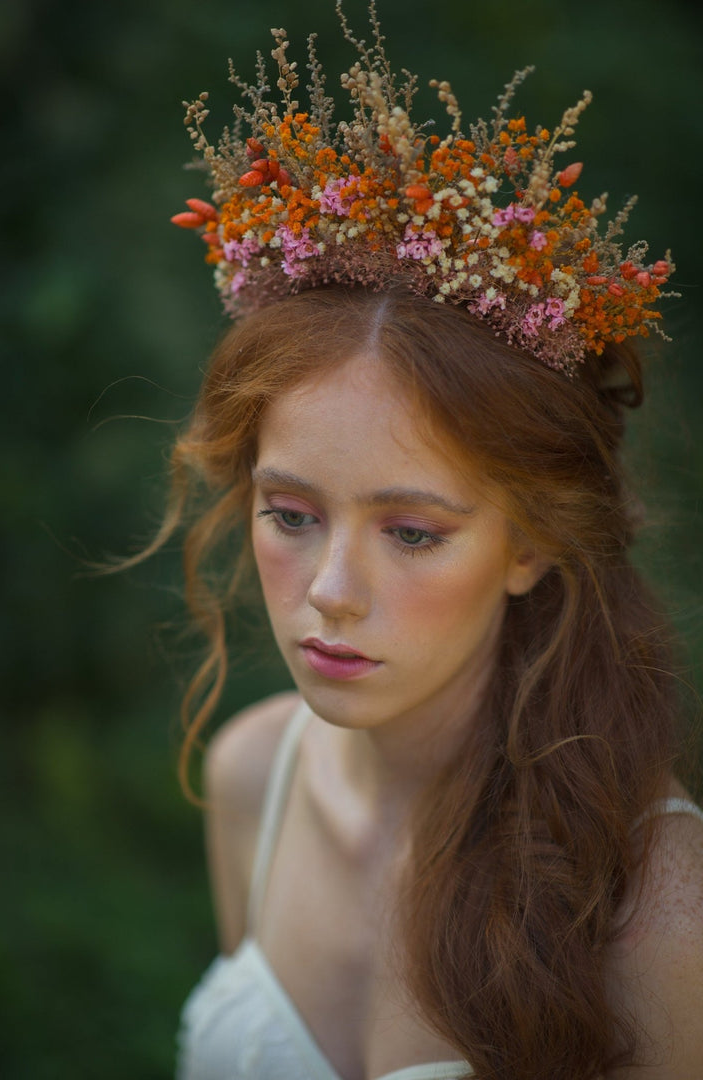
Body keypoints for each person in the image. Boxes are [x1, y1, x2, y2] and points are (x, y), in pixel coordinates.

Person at [160, 10, 703, 1079]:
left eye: (411, 531)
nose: (330, 590)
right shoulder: (249, 780)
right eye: (291, 513)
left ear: (531, 543)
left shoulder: (657, 912)